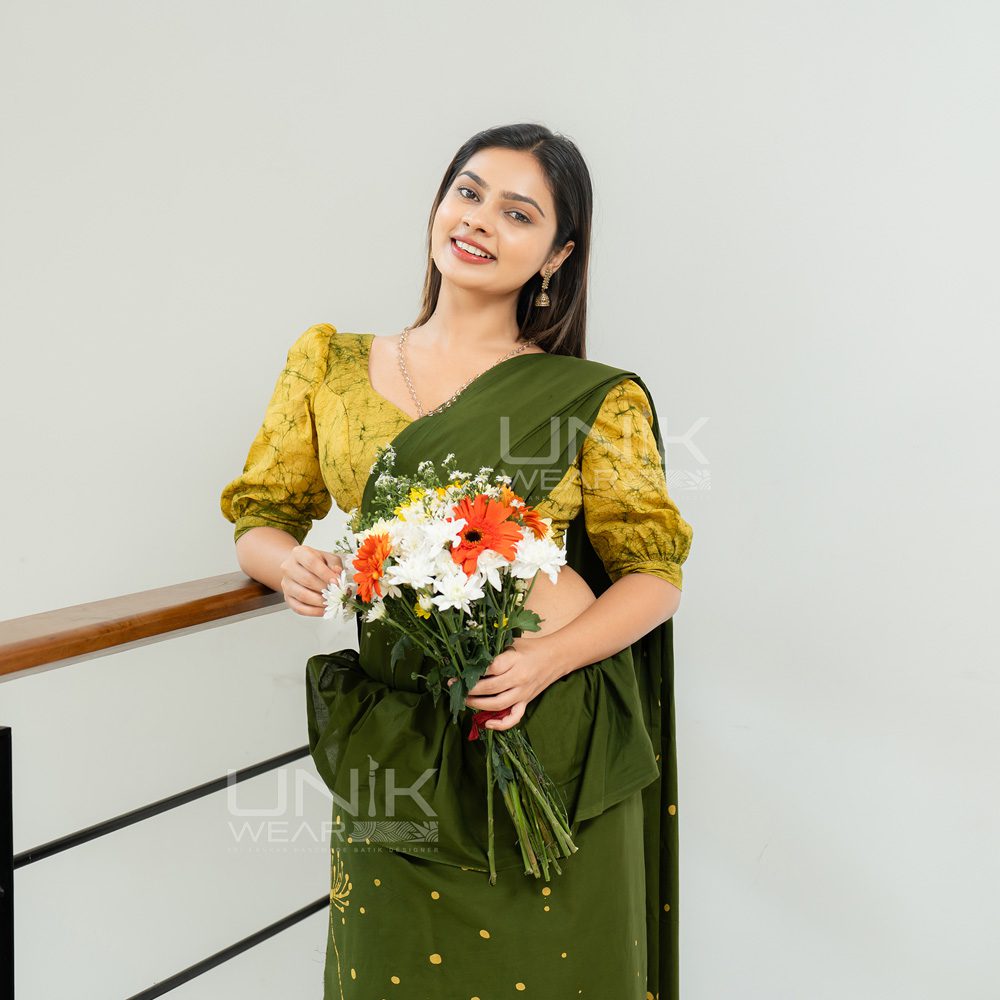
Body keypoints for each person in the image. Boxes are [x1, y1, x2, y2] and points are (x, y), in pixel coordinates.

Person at [220, 123, 693, 1000]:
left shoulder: (592, 398)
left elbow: (654, 575)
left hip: (552, 734)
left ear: (557, 256)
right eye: (468, 192)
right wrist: (286, 564)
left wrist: (547, 659)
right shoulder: (331, 366)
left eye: (518, 213)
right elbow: (261, 516)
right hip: (401, 743)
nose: (478, 219)